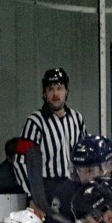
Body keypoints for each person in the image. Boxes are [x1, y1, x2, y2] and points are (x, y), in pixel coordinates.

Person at [13, 68, 87, 203]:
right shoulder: (34, 122)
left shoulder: (77, 119)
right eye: (50, 89)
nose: (55, 94)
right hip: (47, 190)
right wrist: (33, 195)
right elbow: (20, 161)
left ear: (66, 91)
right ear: (44, 93)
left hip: (74, 188)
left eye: (59, 88)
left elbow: (85, 157)